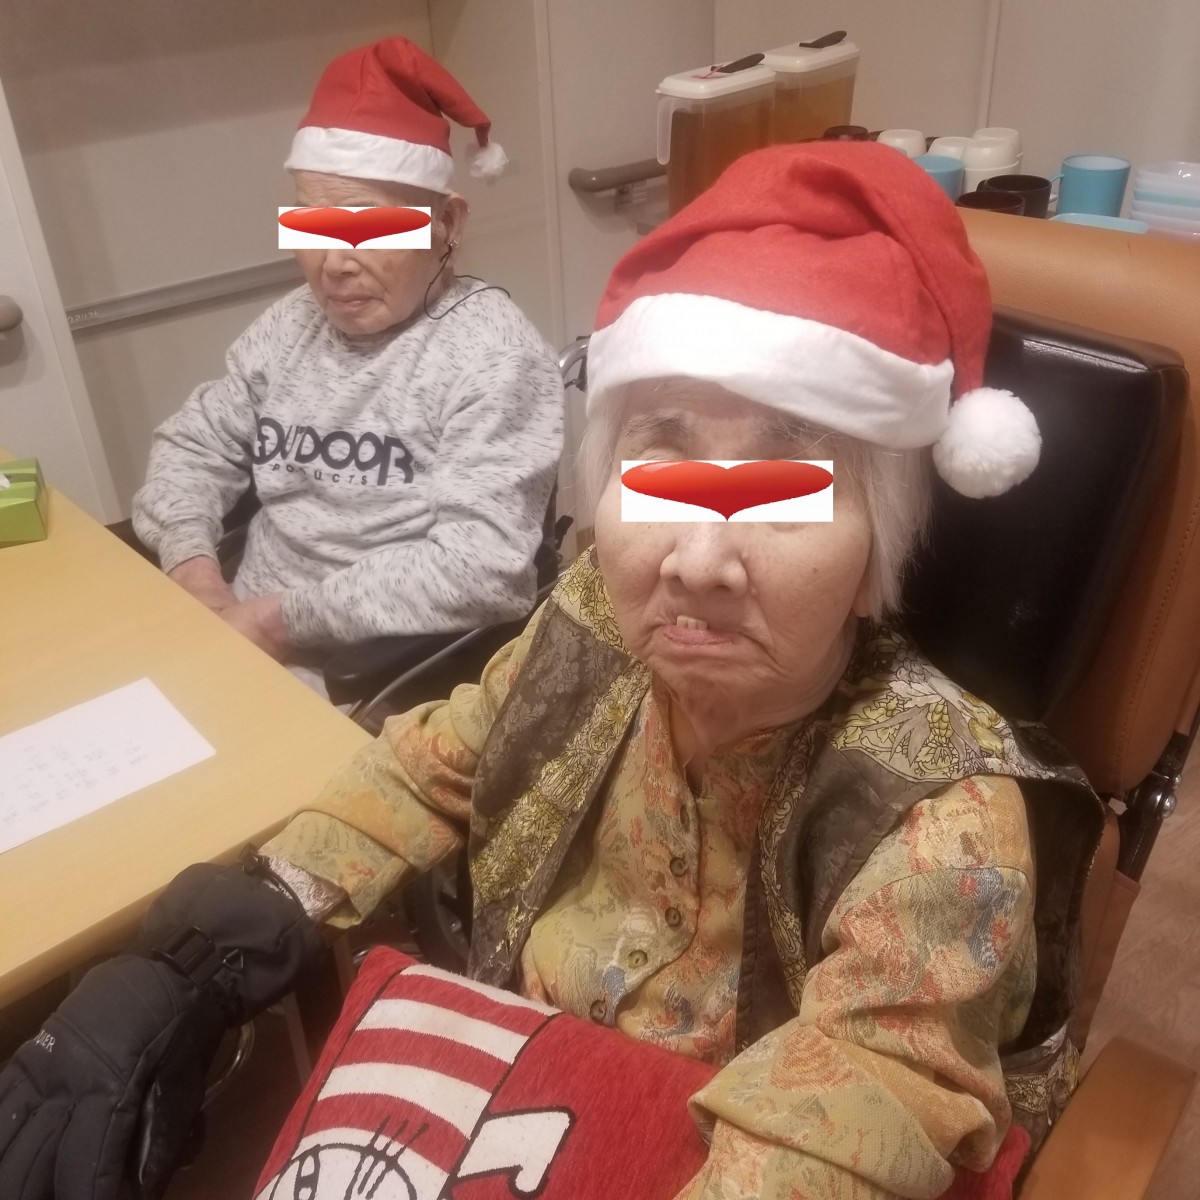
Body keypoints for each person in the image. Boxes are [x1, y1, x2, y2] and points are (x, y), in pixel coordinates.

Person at [0, 144, 1104, 1200]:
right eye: (662, 465)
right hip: (521, 1066)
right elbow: (430, 764)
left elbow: (842, 1123)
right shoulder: (591, 625)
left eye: (787, 488)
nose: (699, 558)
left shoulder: (945, 824)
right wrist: (214, 941)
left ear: (878, 551)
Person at [131, 37, 564, 692]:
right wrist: (195, 573)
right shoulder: (290, 323)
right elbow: (194, 446)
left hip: (359, 669)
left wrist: (273, 623)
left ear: (447, 224)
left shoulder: (493, 359)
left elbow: (484, 569)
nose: (333, 263)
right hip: (229, 624)